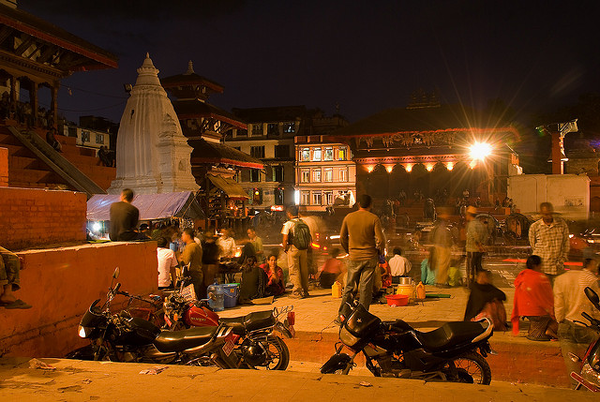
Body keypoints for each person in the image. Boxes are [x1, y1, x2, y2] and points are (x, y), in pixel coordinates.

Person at [337, 194, 385, 320]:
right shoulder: (374, 218)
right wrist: (379, 252)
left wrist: (349, 250)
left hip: (354, 257)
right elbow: (380, 240)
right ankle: (362, 317)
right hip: (370, 257)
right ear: (371, 205)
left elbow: (342, 237)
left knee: (350, 286)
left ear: (358, 204)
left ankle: (342, 315)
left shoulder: (349, 217)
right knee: (365, 288)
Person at [554, 257, 600, 388]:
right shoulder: (590, 279)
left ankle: (576, 386)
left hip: (566, 326)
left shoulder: (560, 279)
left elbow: (559, 308)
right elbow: (596, 308)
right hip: (586, 327)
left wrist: (560, 321)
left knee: (570, 358)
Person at [511, 255, 557, 340]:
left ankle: (538, 331)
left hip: (524, 309)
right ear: (536, 266)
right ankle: (547, 331)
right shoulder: (541, 278)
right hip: (537, 311)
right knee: (558, 316)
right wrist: (552, 311)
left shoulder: (522, 276)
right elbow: (549, 298)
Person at [528, 202, 570, 283]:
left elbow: (566, 243)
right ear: (541, 213)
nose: (548, 216)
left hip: (557, 268)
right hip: (543, 268)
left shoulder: (561, 224)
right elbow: (533, 246)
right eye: (545, 214)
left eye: (550, 214)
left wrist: (563, 259)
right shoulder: (535, 227)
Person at [281, 205, 310, 299]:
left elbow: (285, 239)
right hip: (304, 249)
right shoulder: (304, 222)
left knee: (294, 270)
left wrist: (285, 248)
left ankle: (297, 292)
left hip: (293, 249)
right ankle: (305, 291)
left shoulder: (288, 224)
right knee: (304, 270)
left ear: (289, 213)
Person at [430, 207, 454, 286]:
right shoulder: (441, 225)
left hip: (441, 245)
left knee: (443, 265)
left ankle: (442, 281)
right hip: (442, 246)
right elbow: (442, 237)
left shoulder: (439, 224)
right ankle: (440, 282)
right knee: (442, 265)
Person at [465, 206, 487, 287]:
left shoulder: (471, 224)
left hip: (472, 250)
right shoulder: (480, 224)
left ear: (469, 215)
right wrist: (482, 246)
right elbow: (485, 236)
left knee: (470, 268)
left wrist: (479, 245)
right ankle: (479, 283)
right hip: (479, 251)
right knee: (478, 267)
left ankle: (470, 284)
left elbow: (475, 236)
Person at [180, 228, 203, 299]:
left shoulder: (190, 247)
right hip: (198, 273)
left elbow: (185, 261)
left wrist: (178, 257)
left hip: (193, 275)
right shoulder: (196, 245)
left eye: (183, 235)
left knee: (192, 298)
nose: (181, 237)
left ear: (188, 236)